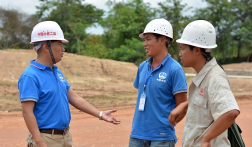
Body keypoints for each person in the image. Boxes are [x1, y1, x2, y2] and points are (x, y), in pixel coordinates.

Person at [18, 21, 120, 147]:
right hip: (46, 139)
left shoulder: (55, 71)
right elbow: (27, 112)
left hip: (65, 136)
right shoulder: (30, 76)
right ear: (46, 47)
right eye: (60, 44)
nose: (63, 49)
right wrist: (39, 142)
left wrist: (100, 114)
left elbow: (74, 97)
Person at [175, 20, 240, 147]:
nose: (180, 54)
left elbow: (230, 112)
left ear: (197, 51)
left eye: (183, 49)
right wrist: (187, 105)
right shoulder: (205, 75)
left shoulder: (214, 77)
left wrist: (206, 139)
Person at [128, 18, 188, 147]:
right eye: (144, 40)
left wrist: (166, 127)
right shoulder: (143, 67)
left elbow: (182, 106)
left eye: (148, 39)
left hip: (162, 139)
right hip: (137, 135)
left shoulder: (175, 70)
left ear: (162, 40)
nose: (145, 44)